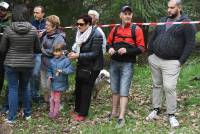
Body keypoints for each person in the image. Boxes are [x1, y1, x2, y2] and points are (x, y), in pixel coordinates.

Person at [146, 0, 196, 128]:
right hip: (155, 59)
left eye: (172, 8)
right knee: (157, 85)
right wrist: (149, 53)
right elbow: (154, 35)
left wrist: (181, 61)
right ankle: (156, 109)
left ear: (179, 8)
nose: (169, 10)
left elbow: (190, 44)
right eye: (168, 7)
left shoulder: (186, 23)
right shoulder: (163, 19)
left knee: (169, 87)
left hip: (172, 62)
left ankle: (171, 114)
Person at [0, 4, 40, 124]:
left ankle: (11, 117)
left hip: (11, 63)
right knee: (25, 87)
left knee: (13, 89)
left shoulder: (9, 29)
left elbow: (2, 49)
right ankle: (27, 114)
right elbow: (38, 49)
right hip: (28, 64)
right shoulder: (33, 30)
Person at [106, 6, 145, 128]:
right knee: (114, 89)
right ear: (121, 15)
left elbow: (142, 48)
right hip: (114, 62)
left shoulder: (136, 29)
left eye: (129, 14)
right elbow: (108, 43)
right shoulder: (115, 29)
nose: (128, 16)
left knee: (123, 89)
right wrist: (110, 48)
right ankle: (113, 112)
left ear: (131, 16)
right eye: (125, 13)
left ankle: (121, 117)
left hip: (127, 64)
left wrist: (127, 51)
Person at [68, 14, 103, 121]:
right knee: (78, 88)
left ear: (88, 24)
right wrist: (73, 52)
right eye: (77, 24)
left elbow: (95, 54)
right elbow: (77, 47)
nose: (78, 26)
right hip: (82, 64)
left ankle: (83, 114)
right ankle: (77, 110)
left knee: (86, 90)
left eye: (81, 24)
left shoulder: (96, 35)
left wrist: (78, 55)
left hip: (93, 67)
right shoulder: (79, 33)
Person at [41, 15, 66, 106]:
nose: (45, 26)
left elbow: (54, 51)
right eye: (45, 24)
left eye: (48, 25)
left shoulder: (59, 38)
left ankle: (57, 105)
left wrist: (42, 50)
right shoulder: (46, 35)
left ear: (54, 26)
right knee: (44, 86)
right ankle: (47, 103)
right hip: (44, 65)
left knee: (53, 87)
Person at [47, 43, 74, 118]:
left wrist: (62, 71)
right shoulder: (52, 60)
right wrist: (49, 76)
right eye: (54, 51)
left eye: (57, 51)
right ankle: (51, 111)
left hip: (61, 83)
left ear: (62, 51)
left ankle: (56, 113)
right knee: (51, 98)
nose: (55, 53)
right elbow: (49, 70)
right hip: (53, 83)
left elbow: (71, 70)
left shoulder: (66, 60)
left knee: (56, 99)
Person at [30, 5, 46, 103]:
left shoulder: (47, 23)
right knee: (31, 74)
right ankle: (31, 94)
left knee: (36, 74)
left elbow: (56, 32)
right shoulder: (31, 23)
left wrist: (44, 33)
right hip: (31, 52)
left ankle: (36, 94)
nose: (35, 14)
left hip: (41, 53)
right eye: (34, 12)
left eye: (37, 12)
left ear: (43, 14)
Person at [0, 1, 11, 113]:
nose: (1, 11)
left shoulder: (10, 21)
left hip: (6, 54)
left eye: (3, 10)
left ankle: (6, 105)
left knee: (6, 79)